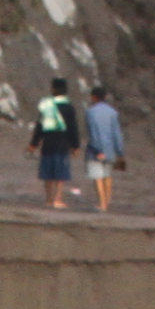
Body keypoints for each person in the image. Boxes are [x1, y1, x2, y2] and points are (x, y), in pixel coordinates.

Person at [31, 77, 78, 208]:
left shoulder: (47, 105)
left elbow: (39, 126)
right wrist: (75, 145)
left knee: (48, 174)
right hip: (63, 145)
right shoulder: (69, 107)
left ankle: (48, 199)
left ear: (53, 89)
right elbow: (73, 128)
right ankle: (58, 199)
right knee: (60, 175)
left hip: (47, 145)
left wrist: (33, 143)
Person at [83, 84, 124, 211]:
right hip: (110, 148)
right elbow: (117, 133)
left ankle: (102, 204)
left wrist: (97, 149)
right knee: (107, 175)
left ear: (94, 97)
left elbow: (93, 133)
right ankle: (107, 200)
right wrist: (120, 151)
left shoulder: (90, 112)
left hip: (95, 149)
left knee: (97, 176)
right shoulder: (113, 112)